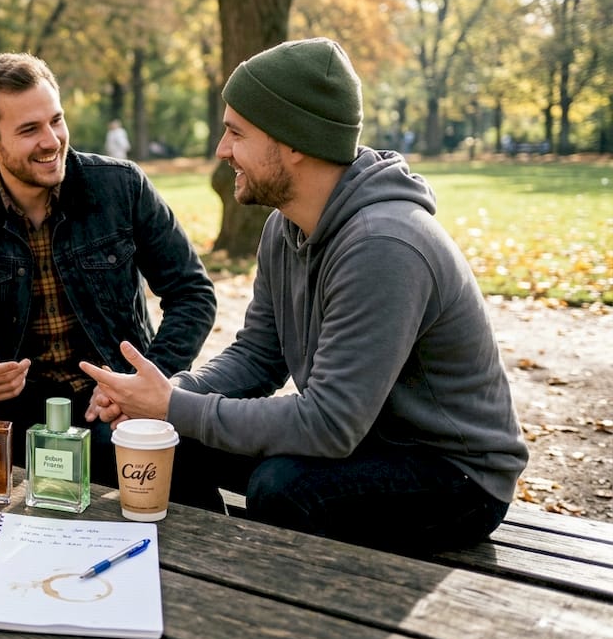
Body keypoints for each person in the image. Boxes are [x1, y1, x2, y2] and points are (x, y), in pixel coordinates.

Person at [81, 38, 529, 554]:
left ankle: (259, 595)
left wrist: (175, 405)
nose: (222, 151)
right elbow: (258, 355)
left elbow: (329, 424)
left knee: (285, 489)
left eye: (235, 133)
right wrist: (164, 396)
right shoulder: (285, 226)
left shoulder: (384, 244)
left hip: (454, 476)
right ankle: (194, 573)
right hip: (361, 440)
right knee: (140, 437)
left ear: (293, 141)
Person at [0, 53, 217, 490]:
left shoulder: (121, 186)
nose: (52, 140)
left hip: (108, 396)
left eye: (56, 120)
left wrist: (144, 379)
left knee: (182, 463)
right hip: (13, 399)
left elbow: (192, 293)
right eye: (29, 129)